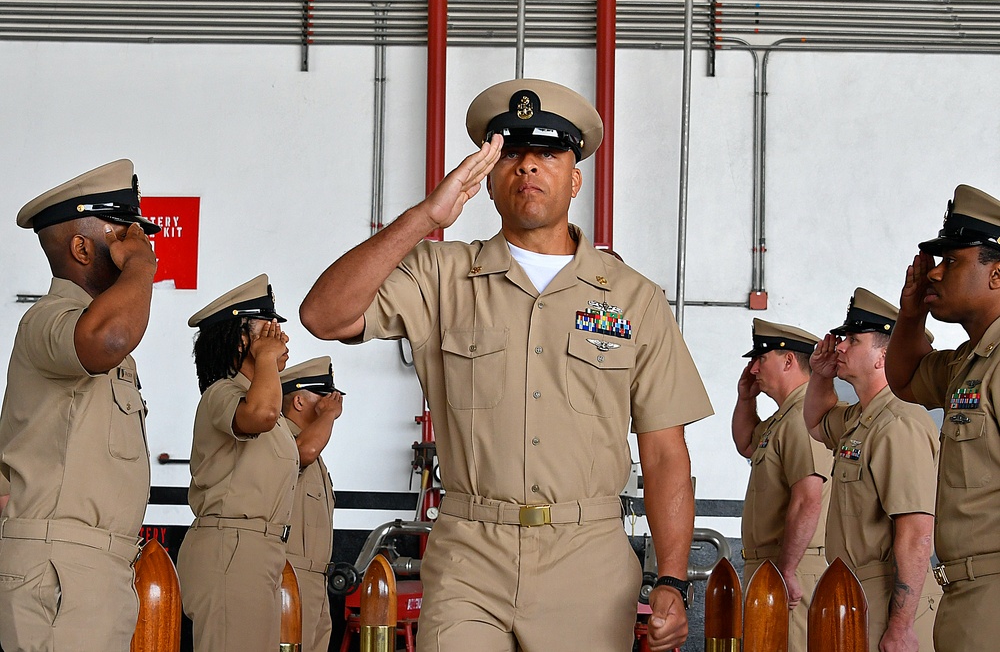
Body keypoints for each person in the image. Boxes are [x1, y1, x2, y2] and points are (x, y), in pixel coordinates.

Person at [300, 78, 714, 652]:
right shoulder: (441, 276)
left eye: (548, 154)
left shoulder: (632, 298)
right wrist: (427, 215)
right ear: (489, 178)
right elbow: (324, 316)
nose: (528, 167)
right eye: (512, 153)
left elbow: (666, 450)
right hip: (470, 552)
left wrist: (670, 577)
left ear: (575, 178)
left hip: (587, 558)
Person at [0, 159, 159, 650]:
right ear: (82, 246)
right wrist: (142, 266)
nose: (139, 244)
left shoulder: (92, 330)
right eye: (124, 236)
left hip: (90, 569)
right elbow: (108, 337)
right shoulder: (50, 319)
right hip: (58, 569)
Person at [884, 184, 1000, 652]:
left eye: (952, 261)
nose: (934, 273)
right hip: (965, 593)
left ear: (997, 274)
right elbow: (906, 379)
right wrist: (910, 316)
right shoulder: (969, 361)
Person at [804, 288, 940, 651]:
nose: (841, 347)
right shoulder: (862, 417)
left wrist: (900, 625)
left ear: (884, 356)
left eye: (853, 339)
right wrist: (819, 376)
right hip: (853, 590)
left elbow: (916, 532)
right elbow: (816, 424)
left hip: (885, 596)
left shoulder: (899, 422)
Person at [176, 274, 299, 652]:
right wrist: (264, 357)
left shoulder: (265, 402)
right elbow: (258, 415)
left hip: (255, 551)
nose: (282, 340)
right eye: (270, 331)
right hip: (231, 549)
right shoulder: (224, 393)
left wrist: (264, 358)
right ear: (242, 339)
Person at [732, 318, 832, 651]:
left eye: (761, 358)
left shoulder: (803, 416)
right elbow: (747, 443)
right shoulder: (783, 418)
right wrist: (746, 400)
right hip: (773, 567)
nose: (753, 368)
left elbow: (808, 500)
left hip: (793, 569)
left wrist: (787, 570)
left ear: (789, 361)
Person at [279, 356, 342, 652]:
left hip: (317, 580)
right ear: (300, 402)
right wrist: (328, 416)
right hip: (292, 578)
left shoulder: (314, 452)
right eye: (322, 396)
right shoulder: (281, 441)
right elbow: (302, 453)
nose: (332, 402)